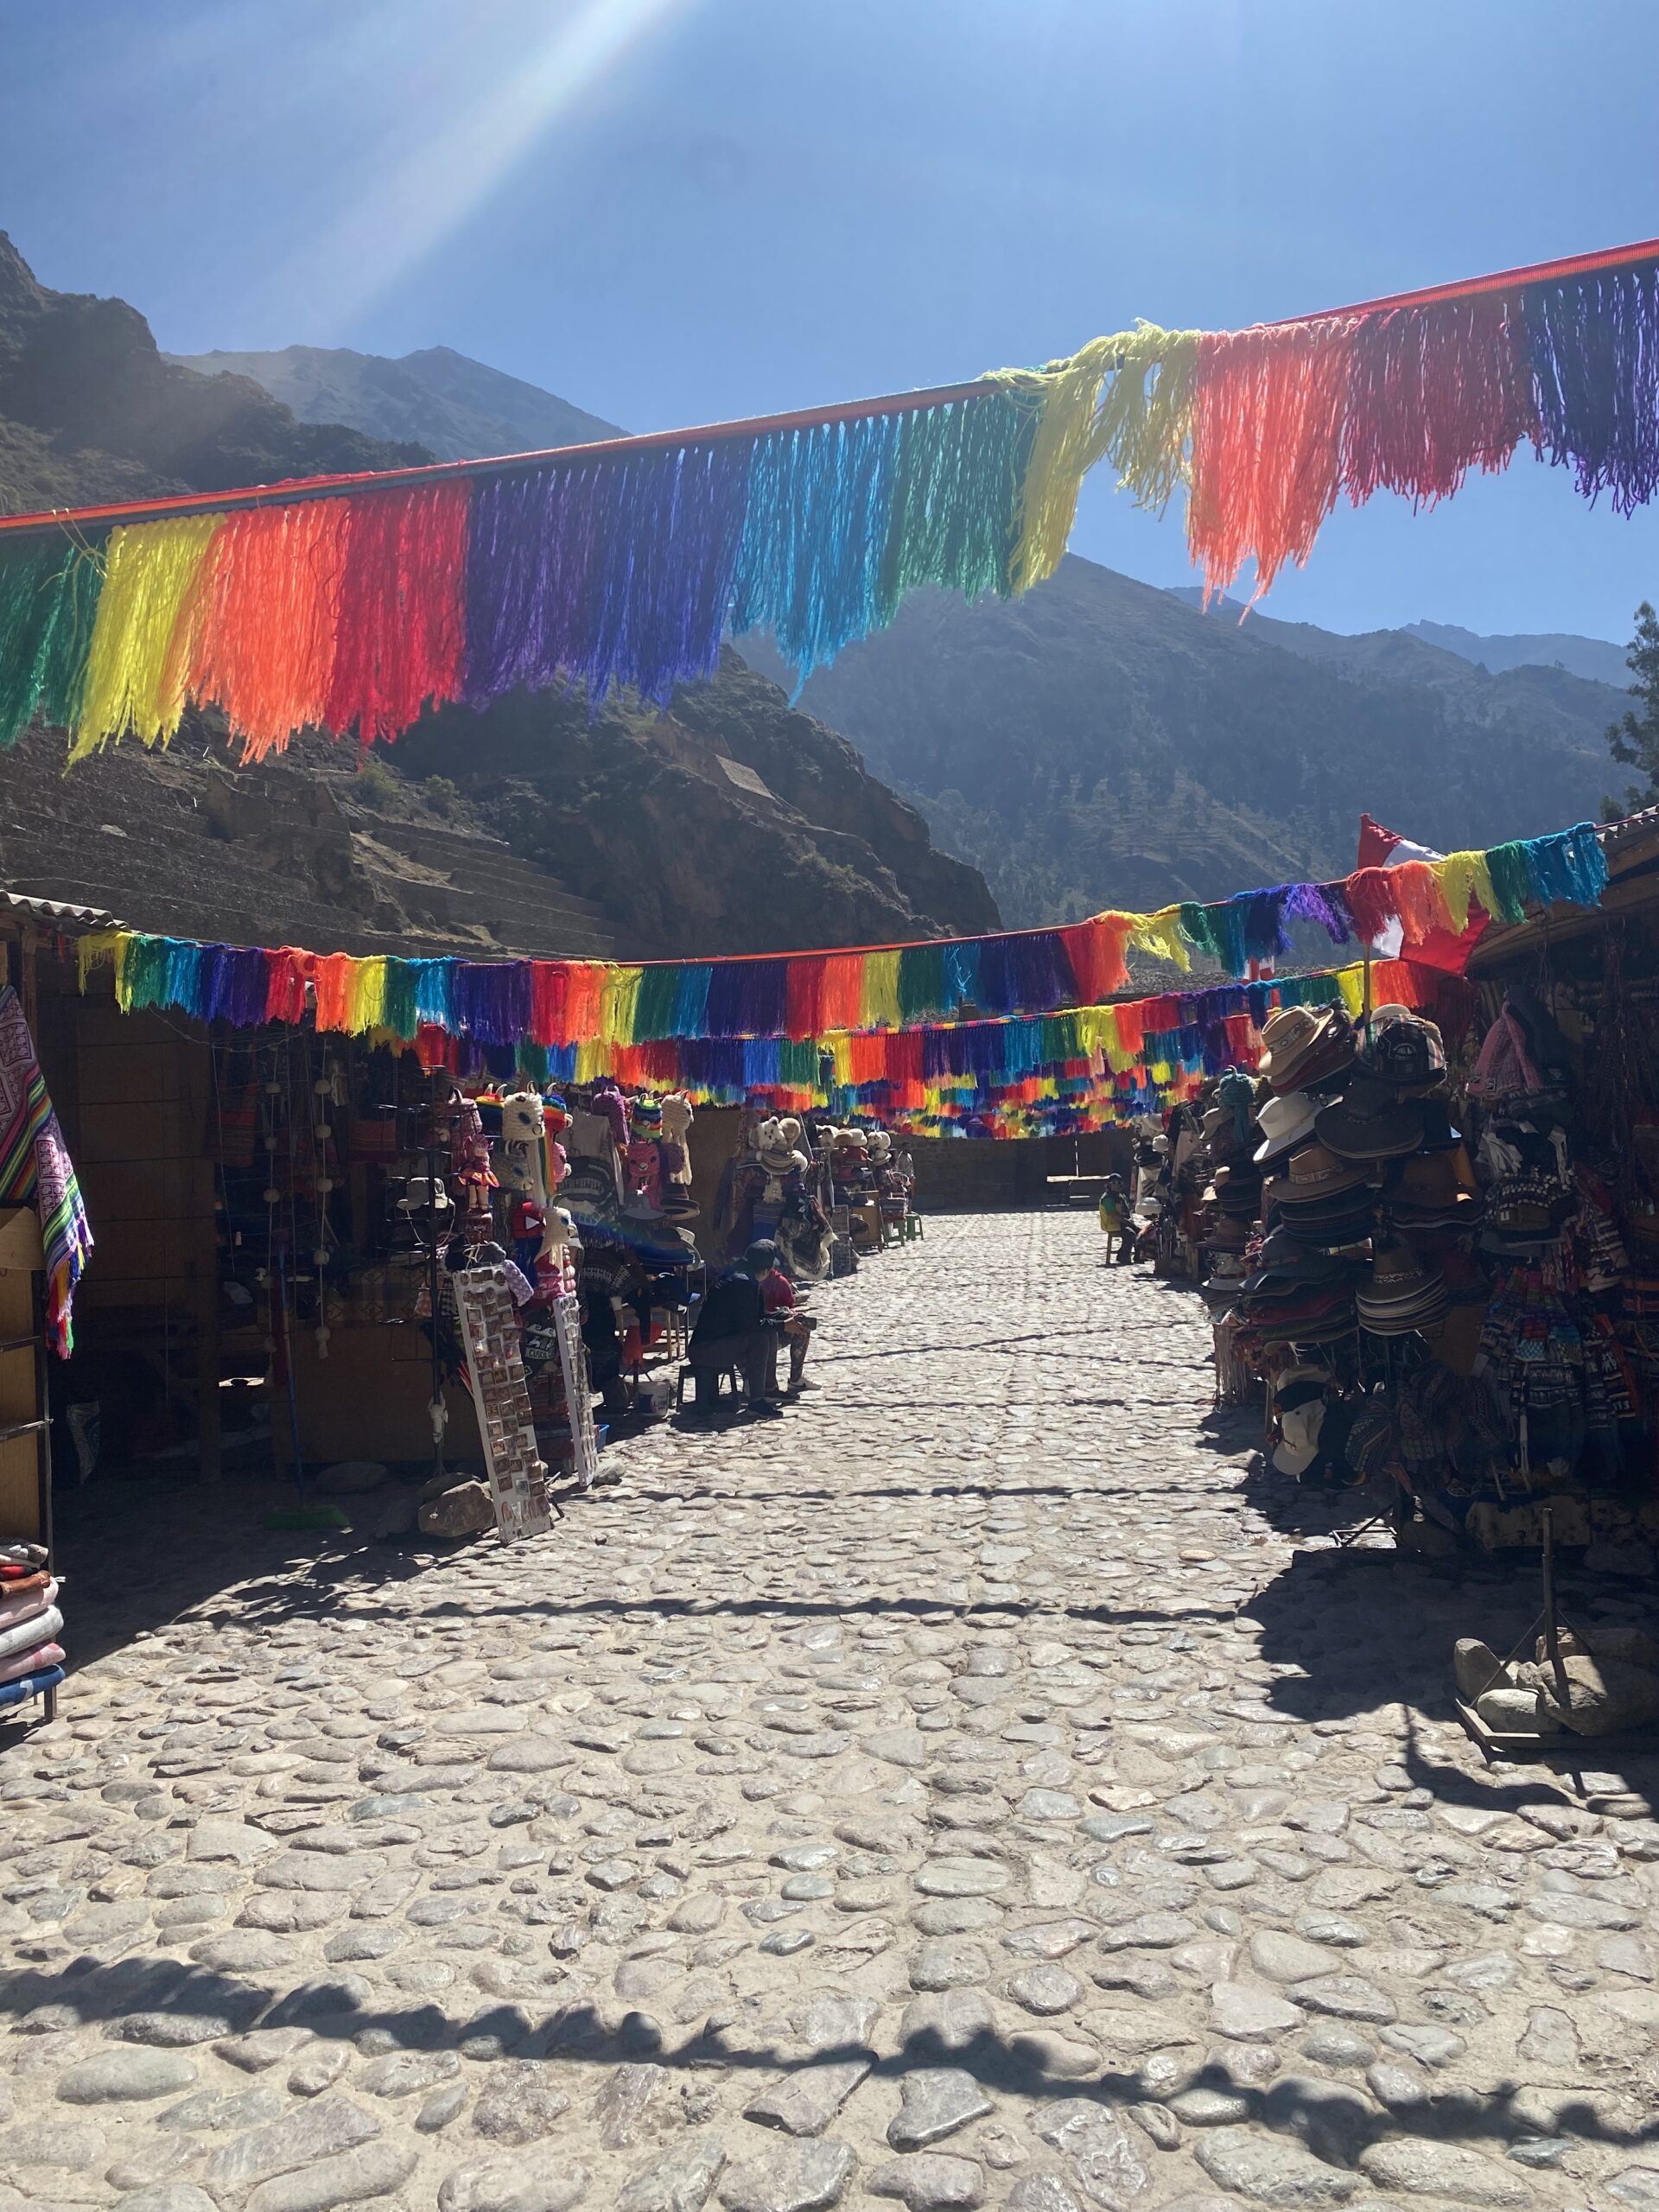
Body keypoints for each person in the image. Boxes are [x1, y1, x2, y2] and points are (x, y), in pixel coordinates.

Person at [686, 1239, 786, 1417]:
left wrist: (783, 1317)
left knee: (769, 1332)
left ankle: (768, 1388)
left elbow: (757, 1316)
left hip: (715, 1343)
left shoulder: (741, 1276)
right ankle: (756, 1401)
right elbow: (752, 1325)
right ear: (765, 1268)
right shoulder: (743, 1283)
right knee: (760, 1339)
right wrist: (784, 1325)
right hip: (706, 1350)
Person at [760, 1260, 817, 1394]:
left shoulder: (780, 1283)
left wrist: (788, 1315)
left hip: (773, 1326)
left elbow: (788, 1310)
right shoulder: (749, 1282)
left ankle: (796, 1379)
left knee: (802, 1328)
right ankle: (753, 1381)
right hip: (754, 1332)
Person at [1098, 1174, 1131, 1265]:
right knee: (1130, 1233)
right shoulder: (1107, 1198)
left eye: (1119, 1183)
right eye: (1113, 1183)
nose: (1116, 1185)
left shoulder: (1121, 1196)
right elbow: (1114, 1215)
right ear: (1109, 1184)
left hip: (1122, 1222)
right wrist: (1128, 1223)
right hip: (1113, 1223)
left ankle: (1138, 1256)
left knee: (1140, 1232)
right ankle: (1122, 1256)